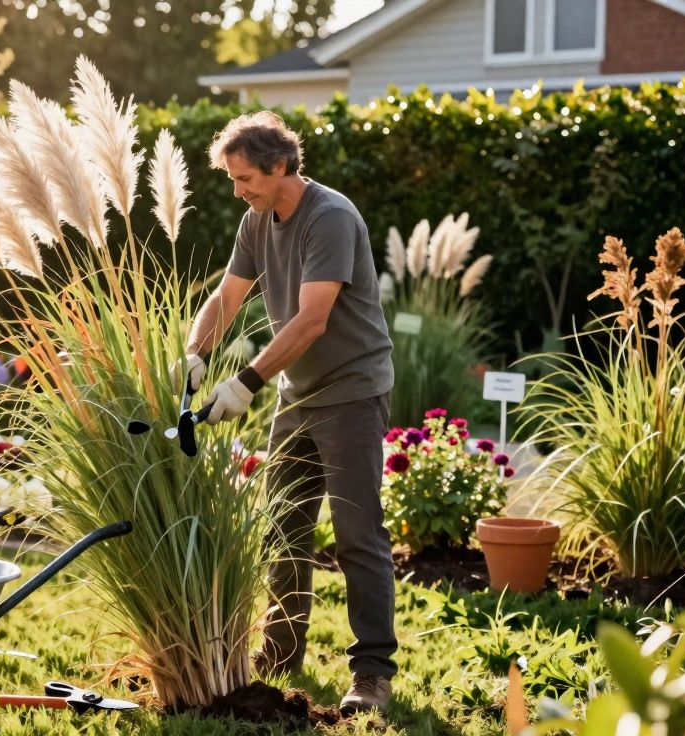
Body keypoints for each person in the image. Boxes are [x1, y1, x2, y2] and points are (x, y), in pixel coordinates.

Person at [172, 110, 397, 716]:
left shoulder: (330, 218)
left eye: (244, 177)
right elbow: (226, 296)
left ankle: (372, 672)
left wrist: (244, 382)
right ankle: (279, 657)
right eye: (232, 179)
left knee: (357, 535)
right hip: (298, 395)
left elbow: (312, 319)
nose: (237, 189)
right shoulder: (256, 220)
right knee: (283, 528)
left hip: (352, 389)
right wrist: (197, 353)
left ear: (280, 167)